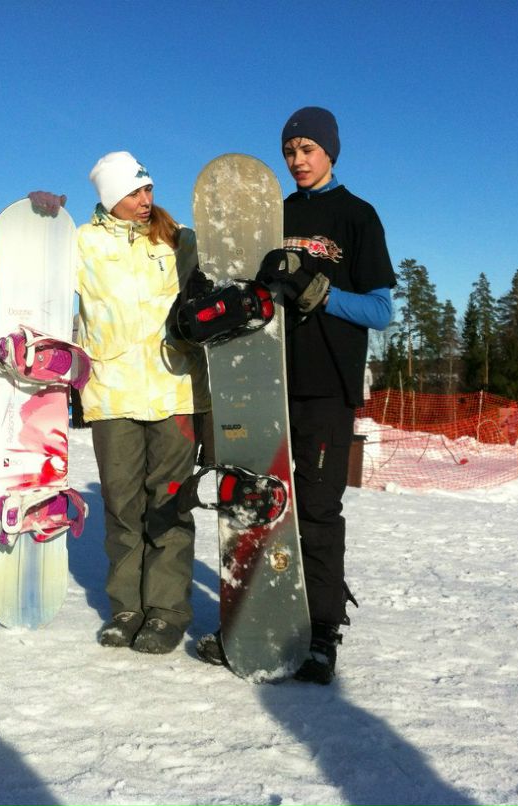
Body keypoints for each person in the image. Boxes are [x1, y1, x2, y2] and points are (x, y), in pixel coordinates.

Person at [198, 107, 396, 684]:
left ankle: (321, 634)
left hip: (325, 388)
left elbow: (381, 311)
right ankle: (249, 616)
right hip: (261, 383)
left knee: (314, 510)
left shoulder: (358, 216)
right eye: (289, 151)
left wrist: (319, 292)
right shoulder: (271, 214)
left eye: (307, 149)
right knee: (252, 503)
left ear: (330, 150)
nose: (297, 160)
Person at [29, 150, 211, 655]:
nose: (146, 200)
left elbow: (224, 272)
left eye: (148, 189)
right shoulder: (81, 244)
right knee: (123, 506)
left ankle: (167, 611)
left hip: (176, 390)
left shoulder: (180, 241)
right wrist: (43, 222)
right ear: (110, 199)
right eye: (134, 192)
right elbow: (38, 270)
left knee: (169, 505)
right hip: (110, 394)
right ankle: (127, 608)